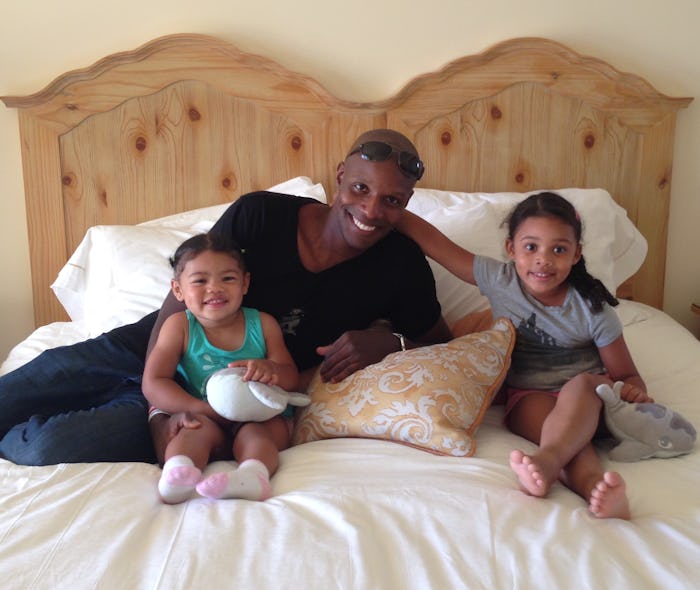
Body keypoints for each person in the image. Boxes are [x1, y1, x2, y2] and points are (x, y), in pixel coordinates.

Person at [0, 128, 452, 466]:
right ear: (340, 177)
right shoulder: (261, 215)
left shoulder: (402, 266)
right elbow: (179, 302)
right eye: (360, 188)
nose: (372, 210)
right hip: (145, 354)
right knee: (11, 396)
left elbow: (445, 346)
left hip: (219, 407)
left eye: (393, 201)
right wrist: (164, 394)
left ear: (407, 202)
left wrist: (391, 344)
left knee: (45, 446)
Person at [397, 192, 652, 519]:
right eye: (531, 247)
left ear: (577, 254)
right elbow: (434, 243)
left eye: (558, 249)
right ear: (511, 249)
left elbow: (627, 375)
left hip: (592, 401)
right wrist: (392, 212)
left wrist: (634, 391)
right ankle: (596, 490)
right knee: (566, 438)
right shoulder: (500, 280)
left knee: (581, 387)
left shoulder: (592, 309)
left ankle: (545, 463)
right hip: (530, 397)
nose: (543, 259)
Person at [143, 234, 298, 503]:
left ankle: (253, 475)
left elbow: (290, 376)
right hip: (206, 416)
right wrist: (197, 408)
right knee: (191, 431)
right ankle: (178, 471)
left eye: (227, 278)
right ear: (178, 290)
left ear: (245, 283)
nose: (214, 288)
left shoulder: (263, 324)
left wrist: (271, 369)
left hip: (257, 418)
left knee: (257, 435)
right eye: (200, 281)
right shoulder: (179, 326)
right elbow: (154, 381)